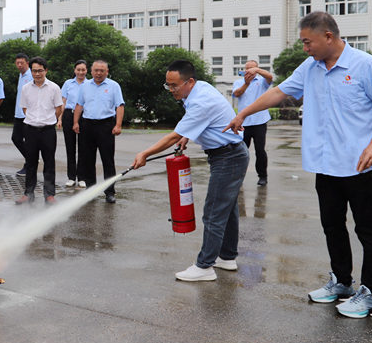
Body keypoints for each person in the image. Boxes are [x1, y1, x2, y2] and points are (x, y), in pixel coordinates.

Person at [225, 11, 372, 318]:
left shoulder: (365, 65)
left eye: (307, 42)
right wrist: (243, 113)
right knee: (332, 225)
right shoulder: (311, 67)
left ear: (328, 36)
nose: (305, 48)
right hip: (325, 163)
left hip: (358, 163)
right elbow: (279, 91)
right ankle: (342, 282)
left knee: (368, 230)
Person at [133, 60, 249, 281]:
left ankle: (204, 267)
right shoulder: (199, 90)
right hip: (228, 154)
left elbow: (173, 136)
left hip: (228, 157)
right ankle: (226, 257)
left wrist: (145, 154)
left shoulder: (201, 101)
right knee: (228, 209)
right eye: (168, 85)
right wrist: (189, 135)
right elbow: (200, 123)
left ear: (190, 81)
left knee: (213, 212)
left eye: (174, 85)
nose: (171, 90)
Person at [73, 60, 124, 203]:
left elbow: (119, 106)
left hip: (106, 126)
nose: (99, 73)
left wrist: (118, 125)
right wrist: (76, 122)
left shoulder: (113, 86)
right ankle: (91, 190)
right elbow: (79, 105)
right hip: (87, 125)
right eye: (96, 70)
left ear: (107, 72)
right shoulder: (84, 86)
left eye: (102, 70)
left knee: (108, 160)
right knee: (88, 160)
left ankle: (109, 192)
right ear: (91, 71)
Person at [16, 57, 63, 205]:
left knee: (49, 162)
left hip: (48, 130)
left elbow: (59, 108)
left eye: (40, 70)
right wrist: (34, 119)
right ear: (31, 71)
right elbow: (24, 108)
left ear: (46, 70)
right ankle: (28, 193)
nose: (37, 74)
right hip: (30, 129)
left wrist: (47, 119)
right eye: (34, 71)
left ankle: (49, 195)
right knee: (30, 163)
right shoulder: (26, 88)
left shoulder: (54, 88)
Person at [232, 59, 273, 186]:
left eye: (252, 69)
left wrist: (257, 71)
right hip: (243, 123)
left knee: (260, 150)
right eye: (247, 69)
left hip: (260, 121)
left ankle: (262, 176)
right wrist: (246, 83)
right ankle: (238, 177)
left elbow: (270, 77)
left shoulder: (262, 82)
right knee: (241, 152)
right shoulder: (238, 82)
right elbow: (237, 94)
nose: (249, 71)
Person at [59, 60, 88, 188]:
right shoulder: (68, 83)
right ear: (74, 70)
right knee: (70, 148)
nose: (80, 72)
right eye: (78, 70)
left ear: (87, 70)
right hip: (68, 115)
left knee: (83, 147)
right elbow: (62, 102)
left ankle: (82, 177)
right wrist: (60, 119)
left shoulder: (90, 84)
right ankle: (71, 177)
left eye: (83, 70)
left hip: (84, 116)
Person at [11, 53, 32, 176]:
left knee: (28, 141)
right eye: (17, 63)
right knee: (16, 138)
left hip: (27, 114)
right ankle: (31, 158)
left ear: (27, 63)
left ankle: (29, 164)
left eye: (21, 63)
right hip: (18, 114)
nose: (19, 65)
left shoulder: (30, 76)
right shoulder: (21, 75)